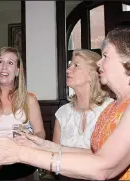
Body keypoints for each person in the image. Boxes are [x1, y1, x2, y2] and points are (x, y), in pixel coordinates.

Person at [0, 28, 130, 180]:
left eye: (106, 56)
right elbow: (95, 154)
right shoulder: (119, 105)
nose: (99, 63)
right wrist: (45, 144)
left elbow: (103, 167)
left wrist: (21, 153)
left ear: (129, 60)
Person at [0, 47, 45, 180]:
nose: (4, 67)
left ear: (17, 71)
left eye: (10, 63)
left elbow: (41, 133)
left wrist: (31, 138)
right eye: (0, 62)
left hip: (23, 163)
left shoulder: (30, 99)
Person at [51, 50, 113, 180]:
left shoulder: (110, 109)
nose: (68, 70)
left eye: (76, 65)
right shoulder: (63, 113)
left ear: (92, 75)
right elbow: (54, 153)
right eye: (69, 65)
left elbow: (110, 160)